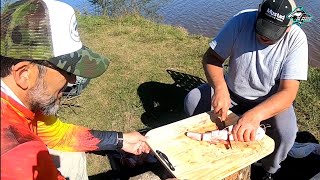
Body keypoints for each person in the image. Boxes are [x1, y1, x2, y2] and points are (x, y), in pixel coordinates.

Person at [0, 0, 150, 179]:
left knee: (73, 157)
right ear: (24, 74)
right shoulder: (17, 153)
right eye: (66, 70)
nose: (72, 80)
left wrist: (120, 140)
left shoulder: (23, 101)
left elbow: (58, 135)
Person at [184, 0, 308, 179]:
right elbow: (211, 58)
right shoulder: (241, 20)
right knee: (193, 100)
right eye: (262, 28)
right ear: (258, 15)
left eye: (274, 33)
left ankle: (269, 170)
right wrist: (220, 88)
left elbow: (288, 93)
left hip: (268, 100)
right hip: (231, 91)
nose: (265, 37)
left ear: (288, 27)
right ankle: (207, 152)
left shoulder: (297, 38)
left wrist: (255, 115)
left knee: (287, 133)